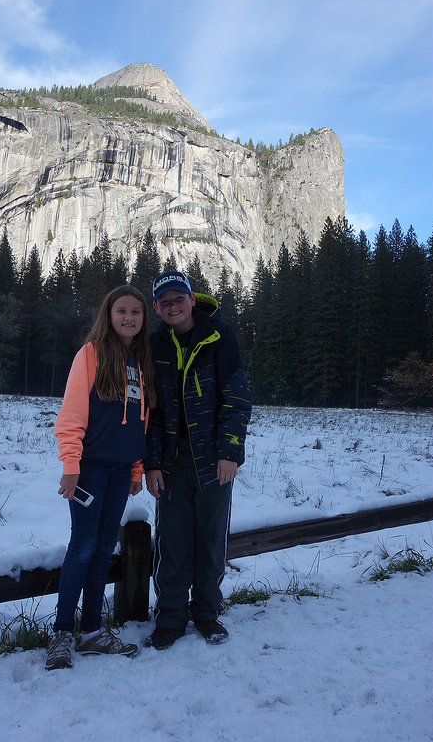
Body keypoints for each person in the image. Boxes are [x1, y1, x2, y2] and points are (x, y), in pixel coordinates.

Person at [46, 285, 157, 670]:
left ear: (145, 319)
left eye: (136, 312)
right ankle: (61, 633)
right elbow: (72, 415)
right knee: (83, 546)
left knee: (105, 546)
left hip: (120, 471)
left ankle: (92, 632)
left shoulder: (142, 360)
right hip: (90, 469)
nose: (129, 318)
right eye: (121, 310)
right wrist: (71, 465)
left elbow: (141, 422)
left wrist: (136, 469)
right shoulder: (91, 354)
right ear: (108, 315)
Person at [144, 270, 252, 651]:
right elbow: (152, 412)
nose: (173, 306)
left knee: (210, 541)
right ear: (157, 308)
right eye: (164, 302)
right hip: (172, 462)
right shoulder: (155, 344)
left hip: (213, 460)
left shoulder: (220, 337)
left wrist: (229, 452)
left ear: (192, 300)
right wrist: (152, 463)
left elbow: (237, 398)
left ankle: (206, 613)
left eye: (179, 298)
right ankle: (171, 617)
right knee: (172, 541)